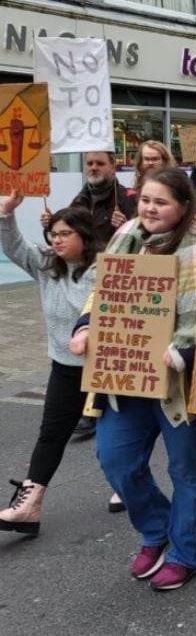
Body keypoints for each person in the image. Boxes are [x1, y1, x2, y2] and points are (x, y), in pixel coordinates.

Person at [69, 167, 196, 591]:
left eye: (160, 201)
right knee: (116, 460)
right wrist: (86, 325)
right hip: (126, 375)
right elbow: (102, 292)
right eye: (145, 199)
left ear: (184, 206)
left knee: (189, 470)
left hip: (182, 386)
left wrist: (186, 350)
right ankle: (157, 529)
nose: (149, 208)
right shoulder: (126, 237)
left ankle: (186, 552)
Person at [0, 199, 98, 534]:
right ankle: (29, 505)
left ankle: (128, 487)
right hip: (64, 368)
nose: (56, 240)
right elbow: (14, 246)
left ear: (84, 236)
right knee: (51, 436)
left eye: (65, 233)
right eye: (53, 233)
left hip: (104, 372)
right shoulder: (46, 265)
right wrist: (6, 213)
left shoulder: (105, 270)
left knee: (119, 444)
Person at [40, 151, 138, 440]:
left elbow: (145, 236)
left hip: (118, 277)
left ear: (112, 167)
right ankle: (88, 406)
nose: (93, 168)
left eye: (99, 163)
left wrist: (126, 225)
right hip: (88, 275)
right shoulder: (80, 198)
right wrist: (53, 225)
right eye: (89, 163)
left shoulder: (129, 197)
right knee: (82, 341)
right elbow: (71, 232)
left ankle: (104, 404)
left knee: (105, 343)